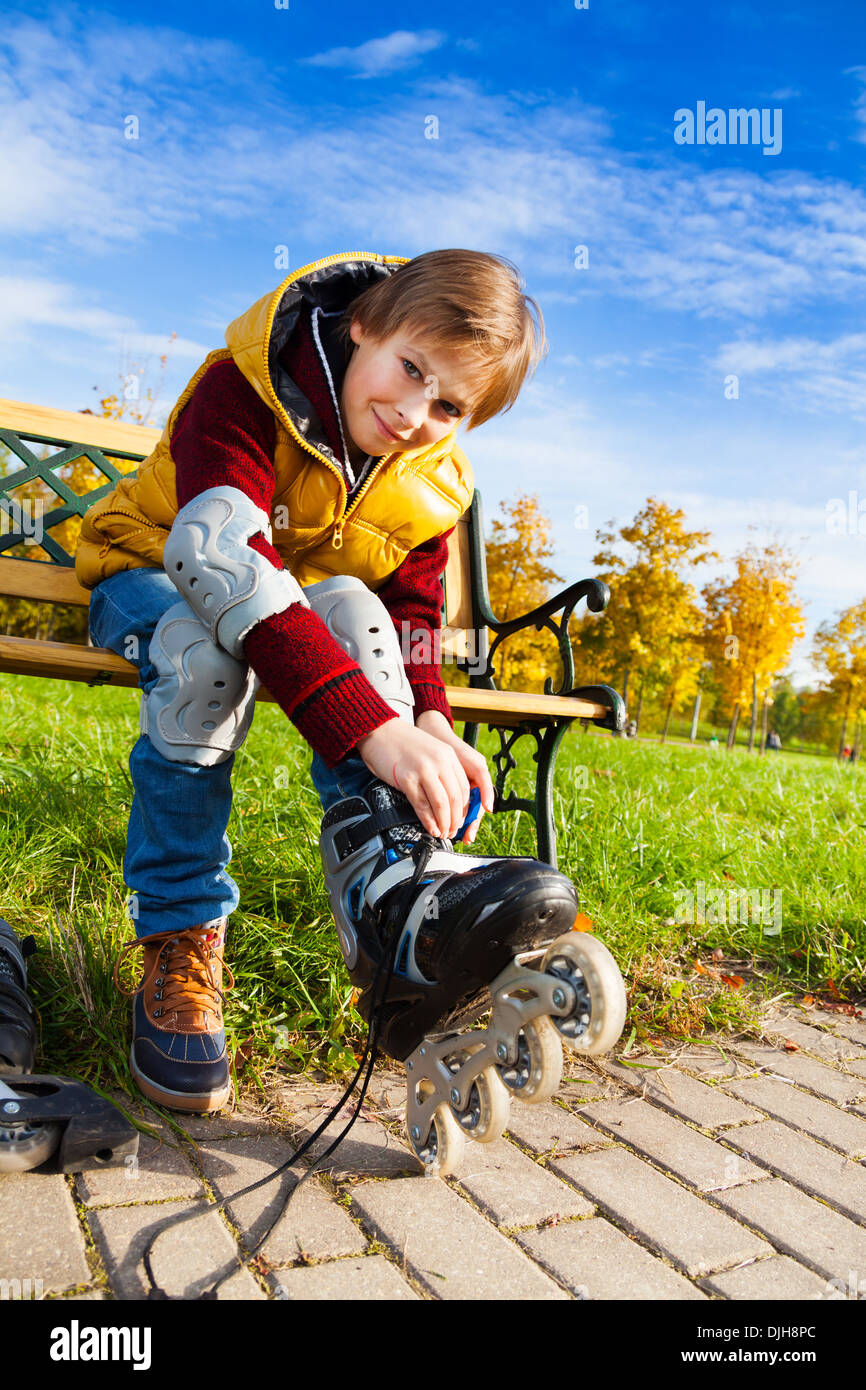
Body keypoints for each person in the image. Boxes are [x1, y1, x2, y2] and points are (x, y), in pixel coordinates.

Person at [75, 249, 580, 1112]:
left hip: (285, 609)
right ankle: (179, 937)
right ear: (364, 327)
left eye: (449, 405)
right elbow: (220, 558)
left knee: (349, 599)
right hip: (152, 575)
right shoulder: (245, 387)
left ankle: (392, 900)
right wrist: (371, 730)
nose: (414, 412)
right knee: (206, 650)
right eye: (410, 368)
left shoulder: (433, 480)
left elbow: (414, 615)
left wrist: (427, 719)